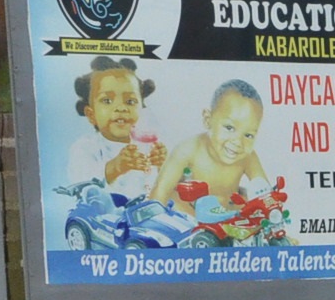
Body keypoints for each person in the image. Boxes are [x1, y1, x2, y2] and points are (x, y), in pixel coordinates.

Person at [155, 78, 270, 211]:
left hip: (227, 221)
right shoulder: (188, 150)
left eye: (248, 135)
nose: (238, 142)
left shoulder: (248, 157)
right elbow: (159, 194)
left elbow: (266, 193)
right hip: (189, 221)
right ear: (207, 120)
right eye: (229, 127)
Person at [66, 57, 162, 197]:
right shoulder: (85, 147)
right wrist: (116, 167)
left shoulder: (147, 146)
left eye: (130, 101)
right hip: (103, 214)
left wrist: (162, 166)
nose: (121, 108)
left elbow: (163, 187)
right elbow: (81, 183)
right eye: (107, 100)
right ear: (91, 114)